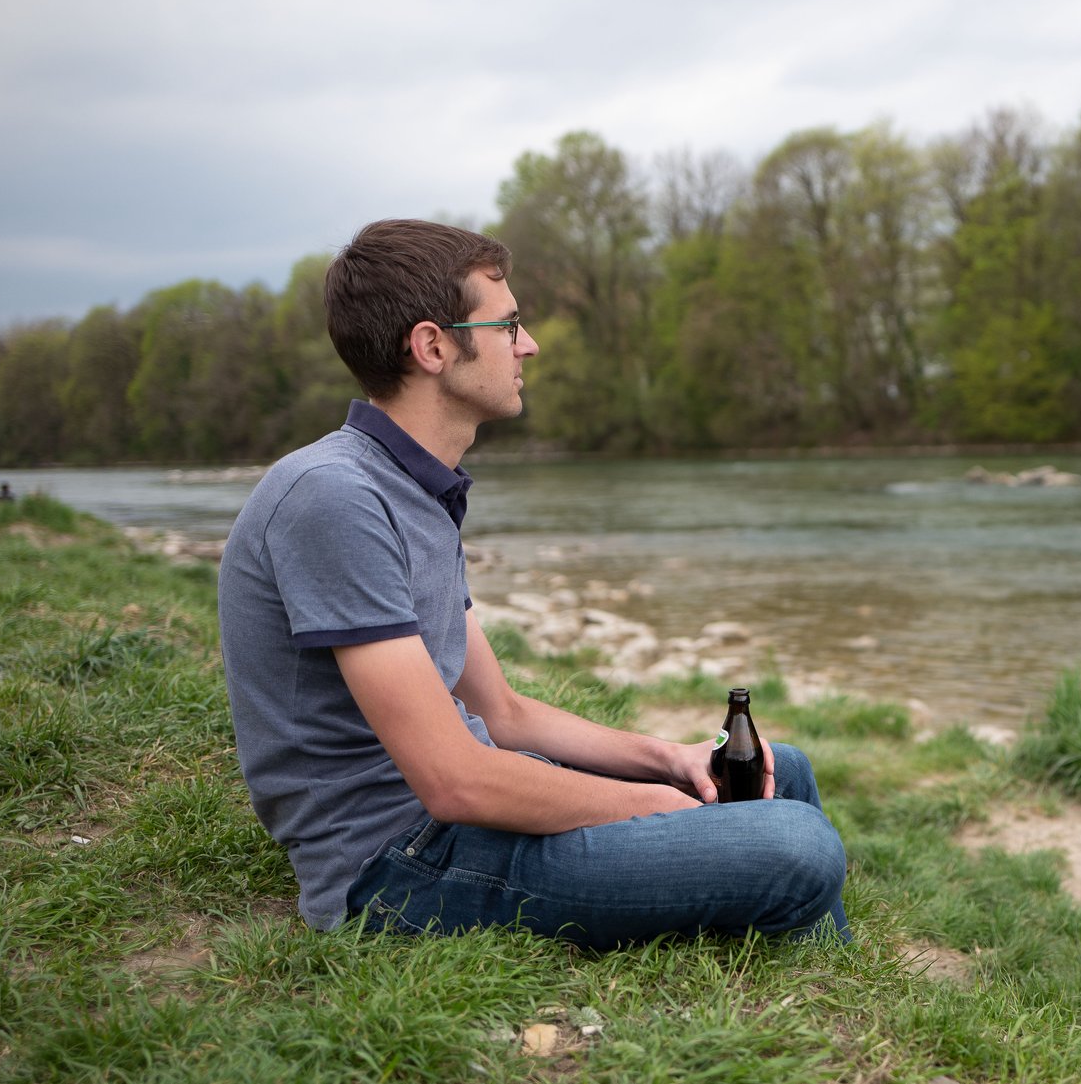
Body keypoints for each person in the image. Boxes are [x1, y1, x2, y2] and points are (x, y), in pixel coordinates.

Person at [217, 219, 847, 948]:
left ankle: (805, 970)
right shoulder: (333, 498)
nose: (529, 344)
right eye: (508, 324)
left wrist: (667, 760)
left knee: (780, 773)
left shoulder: (419, 491)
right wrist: (650, 806)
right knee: (800, 844)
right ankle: (795, 959)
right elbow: (454, 780)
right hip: (400, 865)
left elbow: (503, 713)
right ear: (432, 346)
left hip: (462, 820)